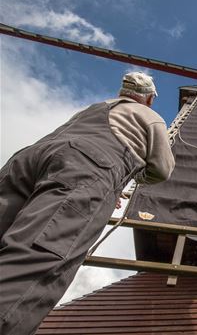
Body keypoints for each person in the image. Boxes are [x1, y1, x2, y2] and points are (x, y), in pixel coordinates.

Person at [0, 72, 175, 334]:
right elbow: (163, 169)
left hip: (26, 160)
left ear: (121, 92)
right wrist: (120, 178)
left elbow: (68, 146)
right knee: (42, 250)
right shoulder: (149, 116)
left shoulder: (94, 108)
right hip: (90, 164)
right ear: (149, 98)